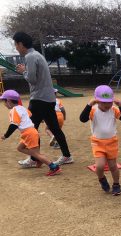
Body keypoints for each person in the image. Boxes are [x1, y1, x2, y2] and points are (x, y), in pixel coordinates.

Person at [13, 31, 73, 167]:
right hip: (48, 98)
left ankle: (35, 159)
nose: (16, 47)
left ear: (21, 44)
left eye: (16, 44)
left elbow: (32, 79)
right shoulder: (37, 55)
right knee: (55, 129)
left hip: (39, 98)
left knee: (30, 129)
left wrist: (23, 72)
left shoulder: (30, 57)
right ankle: (66, 155)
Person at [79, 85, 121, 196]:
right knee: (100, 166)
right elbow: (82, 119)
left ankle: (116, 184)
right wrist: (89, 105)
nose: (107, 105)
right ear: (97, 101)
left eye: (109, 102)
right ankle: (102, 178)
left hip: (112, 142)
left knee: (113, 166)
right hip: (97, 142)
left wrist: (120, 105)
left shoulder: (114, 110)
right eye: (104, 102)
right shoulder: (93, 110)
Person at [1, 90, 61, 176]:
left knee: (35, 153)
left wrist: (5, 136)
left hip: (29, 133)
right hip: (29, 132)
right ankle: (39, 160)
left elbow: (13, 125)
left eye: (4, 101)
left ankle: (54, 167)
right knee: (20, 148)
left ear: (9, 101)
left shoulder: (13, 110)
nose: (4, 104)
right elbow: (30, 115)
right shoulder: (22, 108)